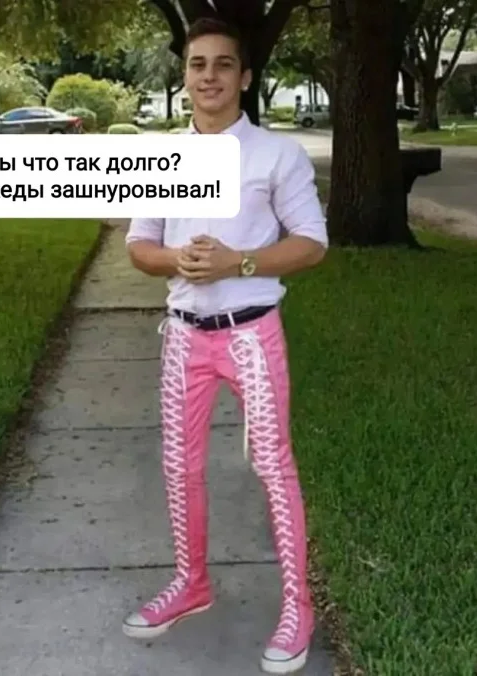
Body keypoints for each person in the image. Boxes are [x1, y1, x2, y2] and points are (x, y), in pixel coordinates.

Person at [121, 16, 328, 675]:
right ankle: (192, 584)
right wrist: (177, 260)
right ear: (184, 77)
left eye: (222, 64)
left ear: (244, 77)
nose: (208, 75)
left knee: (272, 465)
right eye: (196, 64)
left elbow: (312, 244)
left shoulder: (275, 155)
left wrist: (237, 263)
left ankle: (298, 606)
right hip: (185, 337)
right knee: (180, 466)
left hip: (250, 334)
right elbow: (139, 245)